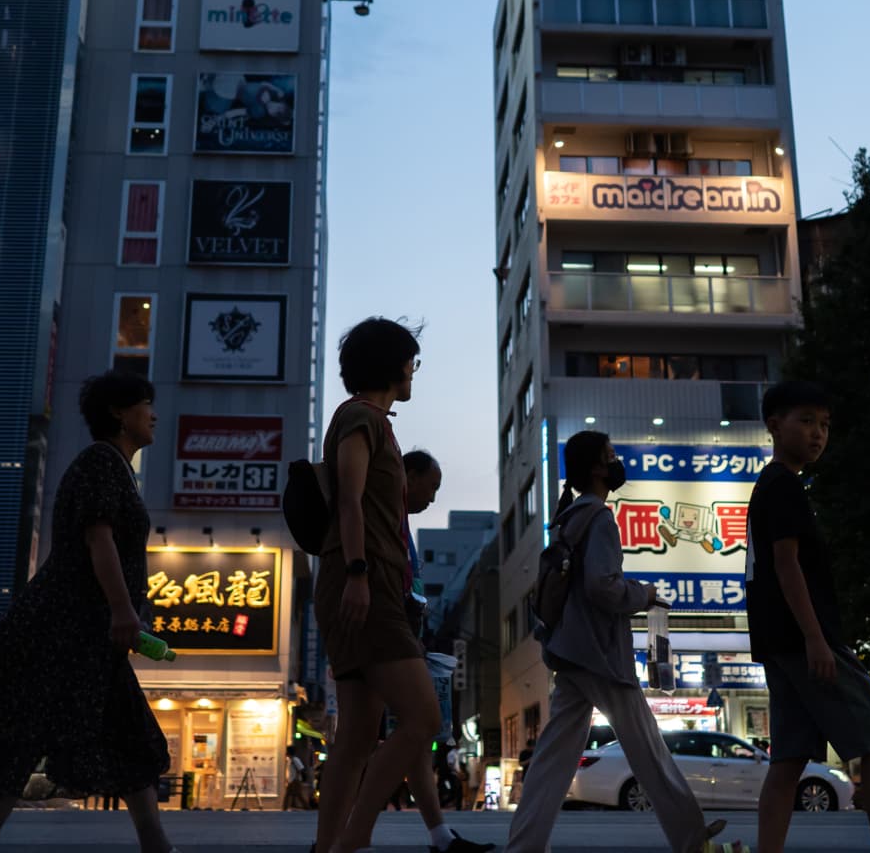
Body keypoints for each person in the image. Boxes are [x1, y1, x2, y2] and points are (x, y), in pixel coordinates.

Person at [0, 370, 180, 853]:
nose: (154, 415)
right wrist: (123, 611)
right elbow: (98, 538)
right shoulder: (100, 461)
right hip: (67, 624)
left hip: (86, 628)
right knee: (34, 731)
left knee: (119, 732)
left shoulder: (116, 467)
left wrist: (121, 615)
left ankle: (154, 844)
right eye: (146, 404)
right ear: (119, 413)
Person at [506, 430, 727, 853]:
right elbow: (602, 588)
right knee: (648, 749)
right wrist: (643, 594)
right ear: (596, 468)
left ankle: (524, 846)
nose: (617, 461)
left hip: (568, 650)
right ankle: (692, 840)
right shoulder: (600, 518)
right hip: (600, 654)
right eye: (610, 455)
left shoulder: (570, 518)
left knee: (553, 760)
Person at [746, 382, 870, 853]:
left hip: (777, 640)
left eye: (825, 425)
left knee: (788, 760)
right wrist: (815, 638)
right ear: (775, 426)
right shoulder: (785, 486)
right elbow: (787, 564)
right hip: (804, 638)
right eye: (807, 421)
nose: (818, 433)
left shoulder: (767, 485)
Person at [310, 318, 440, 853]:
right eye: (411, 361)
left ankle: (327, 848)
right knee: (423, 718)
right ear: (392, 365)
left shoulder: (371, 420)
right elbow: (349, 498)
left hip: (360, 579)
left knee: (358, 735)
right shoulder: (361, 417)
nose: (413, 371)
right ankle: (353, 838)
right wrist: (360, 574)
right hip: (365, 581)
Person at [397, 449, 492, 852]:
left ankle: (440, 836)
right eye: (432, 486)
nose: (433, 498)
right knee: (419, 727)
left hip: (403, 637)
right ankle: (348, 838)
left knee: (416, 739)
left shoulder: (398, 521)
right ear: (409, 476)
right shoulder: (384, 514)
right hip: (389, 638)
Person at [285, 745, 313, 810]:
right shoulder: (290, 760)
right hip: (292, 780)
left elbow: (301, 768)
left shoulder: (295, 759)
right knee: (296, 795)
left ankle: (285, 808)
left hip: (295, 780)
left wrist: (297, 777)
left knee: (291, 795)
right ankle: (306, 807)